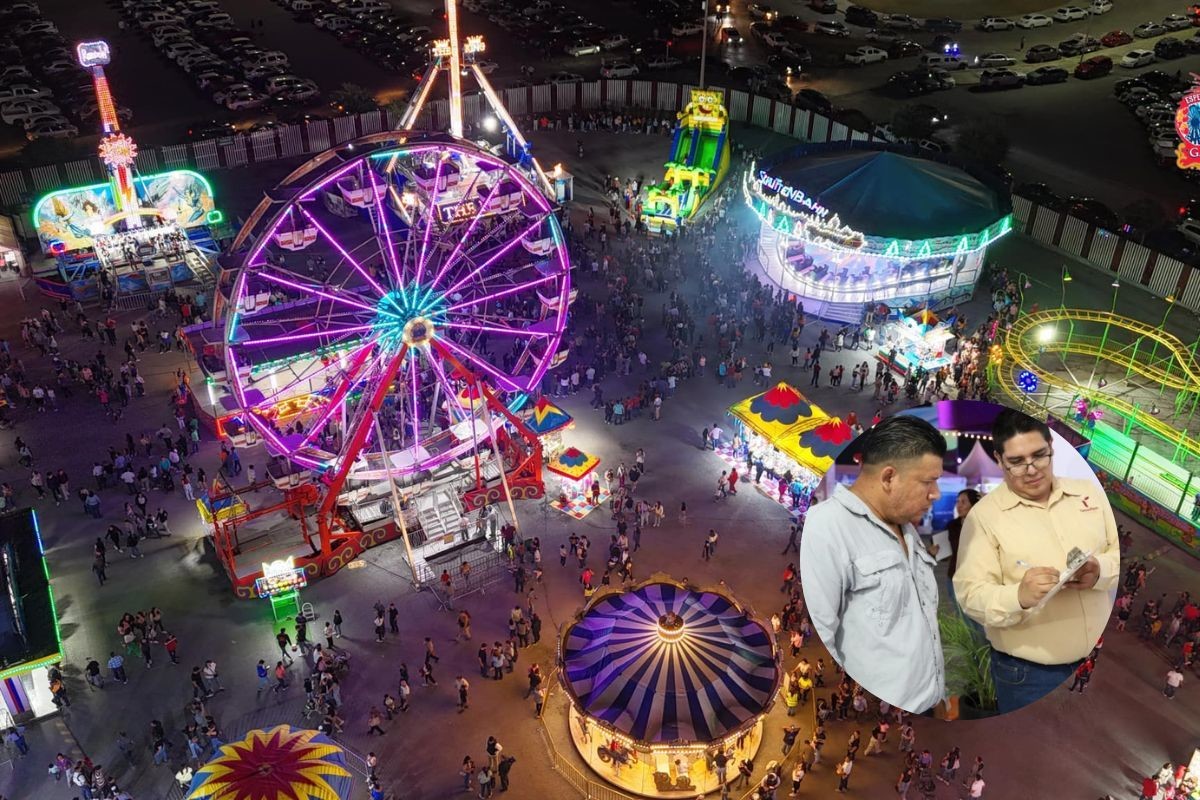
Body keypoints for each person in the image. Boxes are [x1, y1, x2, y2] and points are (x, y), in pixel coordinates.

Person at [954, 409, 1121, 714]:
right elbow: (970, 595)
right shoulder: (984, 518)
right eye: (1017, 462)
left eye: (1039, 456)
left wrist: (1100, 571)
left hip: (1098, 662)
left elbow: (1117, 555)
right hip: (1030, 675)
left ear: (1050, 449)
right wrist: (1018, 596)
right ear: (999, 460)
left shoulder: (1089, 494)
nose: (1031, 470)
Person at [800, 414, 947, 714]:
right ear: (889, 477)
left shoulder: (905, 527)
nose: (936, 494)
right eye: (928, 482)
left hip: (931, 700)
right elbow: (822, 636)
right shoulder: (828, 527)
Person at [944, 489, 981, 605]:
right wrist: (935, 552)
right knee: (959, 617)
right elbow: (946, 555)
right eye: (957, 502)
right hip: (954, 577)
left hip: (976, 578)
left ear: (973, 505)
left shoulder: (982, 525)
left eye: (963, 502)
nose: (959, 506)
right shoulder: (952, 526)